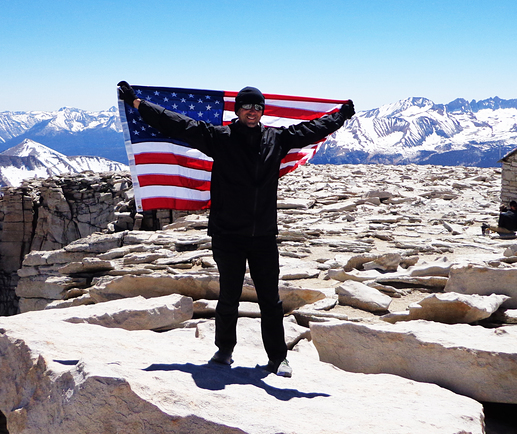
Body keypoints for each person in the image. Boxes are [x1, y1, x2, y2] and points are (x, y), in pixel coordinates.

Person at [117, 81, 354, 377]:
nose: (252, 111)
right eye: (247, 106)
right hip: (227, 234)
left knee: (270, 299)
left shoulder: (277, 139)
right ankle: (224, 350)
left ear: (262, 111)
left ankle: (277, 358)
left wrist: (341, 116)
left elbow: (312, 129)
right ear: (237, 109)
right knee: (228, 296)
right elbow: (178, 124)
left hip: (263, 235)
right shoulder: (219, 137)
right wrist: (139, 104)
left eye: (257, 107)